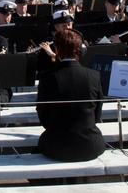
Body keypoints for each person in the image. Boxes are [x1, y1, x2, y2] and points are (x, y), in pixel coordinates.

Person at [35, 28, 105, 162]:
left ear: (57, 50)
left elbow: (43, 113)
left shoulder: (47, 77)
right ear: (80, 50)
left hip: (55, 146)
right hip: (90, 145)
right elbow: (97, 113)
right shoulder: (94, 76)